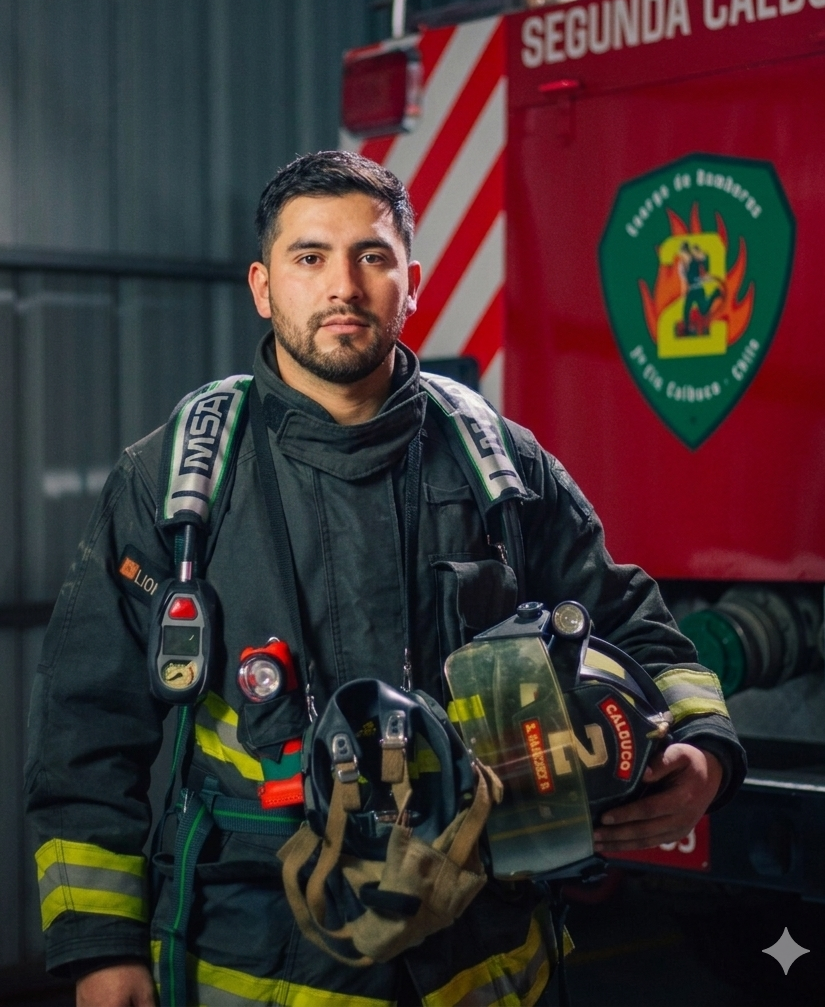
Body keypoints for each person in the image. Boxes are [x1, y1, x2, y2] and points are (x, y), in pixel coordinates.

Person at [26, 151, 745, 1007]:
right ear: (263, 286)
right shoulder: (174, 480)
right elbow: (85, 732)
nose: (343, 286)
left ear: (413, 283)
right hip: (252, 961)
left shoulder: (502, 467)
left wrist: (706, 755)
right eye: (310, 256)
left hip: (482, 957)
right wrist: (101, 950)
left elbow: (632, 624)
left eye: (371, 257)